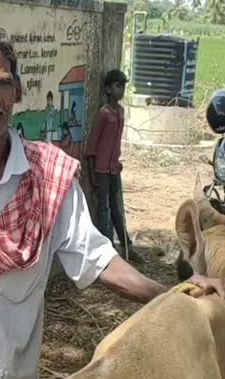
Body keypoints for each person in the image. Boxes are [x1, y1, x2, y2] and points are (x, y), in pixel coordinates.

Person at [0, 27, 225, 379]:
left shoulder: (49, 179)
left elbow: (98, 261)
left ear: (18, 91)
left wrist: (174, 293)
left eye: (3, 84)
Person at [85, 69, 139, 261]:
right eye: (117, 86)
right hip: (101, 169)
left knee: (116, 207)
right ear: (108, 89)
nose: (121, 90)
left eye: (123, 86)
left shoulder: (121, 112)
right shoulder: (104, 114)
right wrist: (92, 171)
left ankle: (126, 245)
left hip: (114, 167)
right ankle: (108, 249)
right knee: (103, 209)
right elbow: (93, 144)